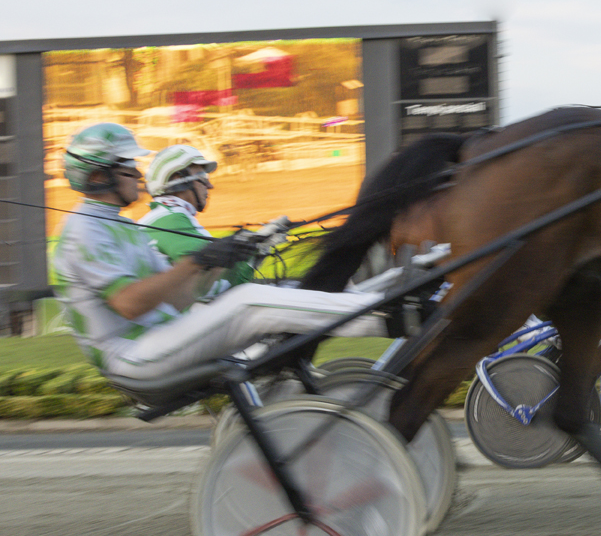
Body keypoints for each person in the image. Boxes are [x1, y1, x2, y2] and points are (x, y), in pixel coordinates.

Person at [51, 123, 389, 384]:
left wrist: (221, 261)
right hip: (131, 355)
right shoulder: (82, 231)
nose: (139, 174)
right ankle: (385, 317)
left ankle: (378, 308)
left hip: (163, 337)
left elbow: (181, 298)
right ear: (98, 176)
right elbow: (129, 304)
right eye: (128, 168)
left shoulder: (125, 228)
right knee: (250, 302)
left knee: (257, 302)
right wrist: (198, 260)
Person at [139, 144, 255, 290]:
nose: (209, 185)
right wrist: (252, 257)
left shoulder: (161, 215)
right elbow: (224, 280)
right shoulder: (171, 219)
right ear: (178, 179)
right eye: (202, 177)